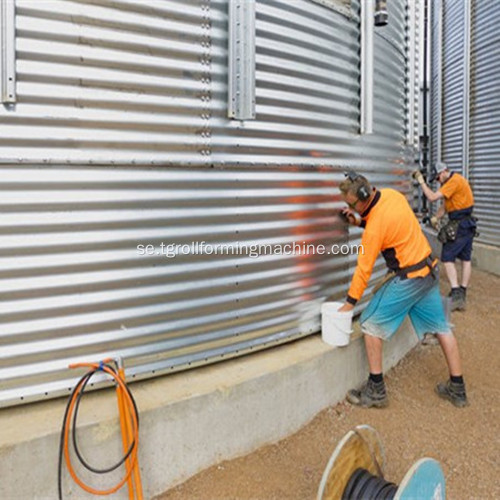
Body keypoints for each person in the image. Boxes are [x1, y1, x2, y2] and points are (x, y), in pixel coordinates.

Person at [337, 171, 467, 408]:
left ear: (363, 197)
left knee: (370, 325)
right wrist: (358, 221)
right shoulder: (392, 196)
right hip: (429, 271)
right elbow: (387, 221)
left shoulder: (375, 226)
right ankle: (457, 388)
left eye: (351, 204)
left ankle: (376, 390)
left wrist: (349, 303)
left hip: (410, 279)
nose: (350, 208)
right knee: (442, 328)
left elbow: (363, 270)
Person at [413, 162, 476, 311]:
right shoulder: (456, 181)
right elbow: (446, 205)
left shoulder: (453, 181)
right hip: (468, 223)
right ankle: (462, 292)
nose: (438, 181)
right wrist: (436, 217)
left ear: (443, 172)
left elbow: (433, 197)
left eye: (437, 178)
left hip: (460, 224)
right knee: (466, 259)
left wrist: (421, 181)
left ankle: (456, 293)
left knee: (447, 257)